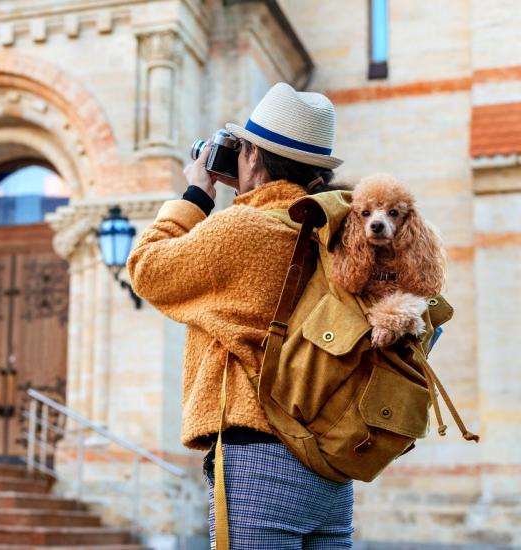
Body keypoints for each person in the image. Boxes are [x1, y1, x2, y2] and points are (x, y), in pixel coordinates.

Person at [127, 82, 354, 549]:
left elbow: (147, 268)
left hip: (260, 460)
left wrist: (197, 190)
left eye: (245, 150)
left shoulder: (242, 228)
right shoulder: (333, 232)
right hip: (330, 467)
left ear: (252, 156)